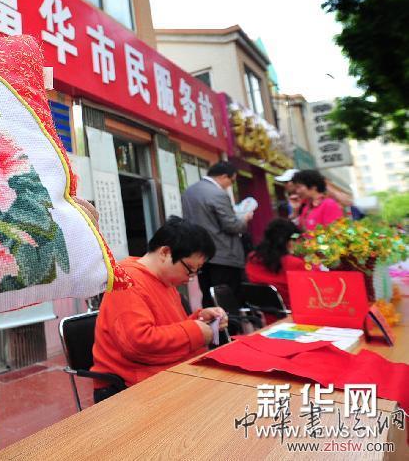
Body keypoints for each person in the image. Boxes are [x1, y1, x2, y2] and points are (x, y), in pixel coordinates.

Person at [90, 217, 227, 403]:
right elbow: (138, 343)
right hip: (128, 387)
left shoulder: (166, 281)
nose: (191, 278)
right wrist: (196, 331)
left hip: (160, 375)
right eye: (190, 270)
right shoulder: (127, 280)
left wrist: (200, 319)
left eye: (196, 272)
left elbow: (170, 326)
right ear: (165, 252)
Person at [181, 161, 252, 308]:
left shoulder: (189, 192)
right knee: (227, 301)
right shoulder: (218, 193)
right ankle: (230, 330)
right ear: (224, 176)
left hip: (200, 256)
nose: (230, 185)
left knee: (208, 298)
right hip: (224, 255)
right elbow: (232, 225)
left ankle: (212, 330)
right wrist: (244, 220)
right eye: (231, 181)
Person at [245, 218, 307, 307]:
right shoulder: (295, 264)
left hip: (260, 314)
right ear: (289, 242)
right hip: (290, 314)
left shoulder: (253, 258)